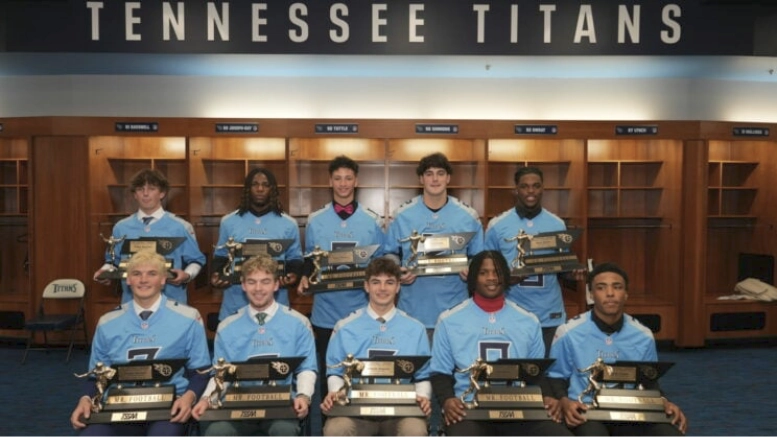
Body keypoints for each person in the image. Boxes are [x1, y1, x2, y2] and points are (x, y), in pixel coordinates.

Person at [428, 250, 571, 436]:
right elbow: (440, 372)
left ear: (506, 276)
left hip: (521, 408)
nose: (491, 278)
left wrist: (549, 397)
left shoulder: (529, 320)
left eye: (497, 272)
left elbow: (536, 373)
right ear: (472, 277)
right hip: (470, 408)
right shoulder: (449, 320)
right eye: (483, 272)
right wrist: (447, 399)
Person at [71, 250, 211, 436]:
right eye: (136, 274)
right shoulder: (107, 322)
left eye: (152, 274)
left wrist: (188, 397)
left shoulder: (188, 317)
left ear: (163, 279)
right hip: (118, 404)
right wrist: (85, 398)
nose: (143, 280)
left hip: (167, 406)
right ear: (127, 279)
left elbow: (201, 372)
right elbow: (96, 375)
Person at [546, 262, 688, 436]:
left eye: (617, 287)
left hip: (633, 409)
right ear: (591, 294)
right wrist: (564, 401)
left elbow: (649, 380)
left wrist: (664, 401)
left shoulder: (643, 335)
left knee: (671, 432)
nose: (610, 293)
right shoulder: (568, 333)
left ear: (626, 294)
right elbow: (556, 377)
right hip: (587, 411)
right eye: (601, 288)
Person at [192, 253, 317, 436]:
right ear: (243, 285)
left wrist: (303, 396)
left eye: (265, 281)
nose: (258, 288)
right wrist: (206, 399)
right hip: (237, 404)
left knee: (284, 430)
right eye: (251, 282)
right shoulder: (227, 326)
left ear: (276, 285)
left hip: (281, 404)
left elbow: (307, 368)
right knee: (217, 431)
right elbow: (220, 374)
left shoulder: (299, 323)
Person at [296, 155, 385, 403]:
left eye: (348, 178)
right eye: (338, 178)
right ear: (330, 181)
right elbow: (309, 259)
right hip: (326, 311)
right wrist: (304, 278)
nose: (343, 183)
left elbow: (382, 260)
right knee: (329, 372)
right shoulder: (315, 219)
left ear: (356, 181)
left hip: (361, 309)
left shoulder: (372, 219)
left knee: (361, 371)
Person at [321, 256, 432, 436]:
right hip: (355, 410)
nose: (382, 288)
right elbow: (334, 372)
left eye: (389, 282)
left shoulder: (416, 328)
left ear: (398, 287)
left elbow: (423, 376)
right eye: (376, 282)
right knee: (336, 429)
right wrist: (335, 392)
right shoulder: (345, 327)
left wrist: (423, 397)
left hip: (400, 411)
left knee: (415, 430)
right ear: (366, 286)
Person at [485, 166, 585, 354]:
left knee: (548, 373)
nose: (530, 191)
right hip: (511, 313)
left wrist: (573, 273)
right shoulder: (497, 225)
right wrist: (507, 279)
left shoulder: (557, 223)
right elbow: (486, 272)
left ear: (542, 189)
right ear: (516, 190)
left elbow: (563, 270)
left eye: (536, 186)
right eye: (524, 186)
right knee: (515, 370)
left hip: (549, 313)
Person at [384, 152, 484, 333]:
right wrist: (397, 271)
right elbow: (390, 253)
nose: (435, 179)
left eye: (440, 173)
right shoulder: (402, 214)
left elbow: (478, 256)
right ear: (421, 179)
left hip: (455, 310)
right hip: (413, 310)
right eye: (429, 174)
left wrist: (471, 268)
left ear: (448, 178)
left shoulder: (468, 216)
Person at [93, 168, 206, 305]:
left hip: (172, 303)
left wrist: (186, 275)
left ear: (162, 193)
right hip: (131, 303)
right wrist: (105, 272)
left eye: (151, 189)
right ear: (135, 194)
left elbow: (196, 260)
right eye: (140, 189)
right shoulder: (121, 227)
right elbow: (113, 261)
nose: (145, 194)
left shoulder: (181, 226)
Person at [211, 167, 303, 321]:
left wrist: (293, 276)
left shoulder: (289, 224)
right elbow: (221, 256)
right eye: (255, 184)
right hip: (235, 306)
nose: (260, 189)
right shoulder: (228, 222)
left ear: (272, 190)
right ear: (247, 189)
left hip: (276, 307)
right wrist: (217, 275)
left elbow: (295, 258)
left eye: (266, 185)